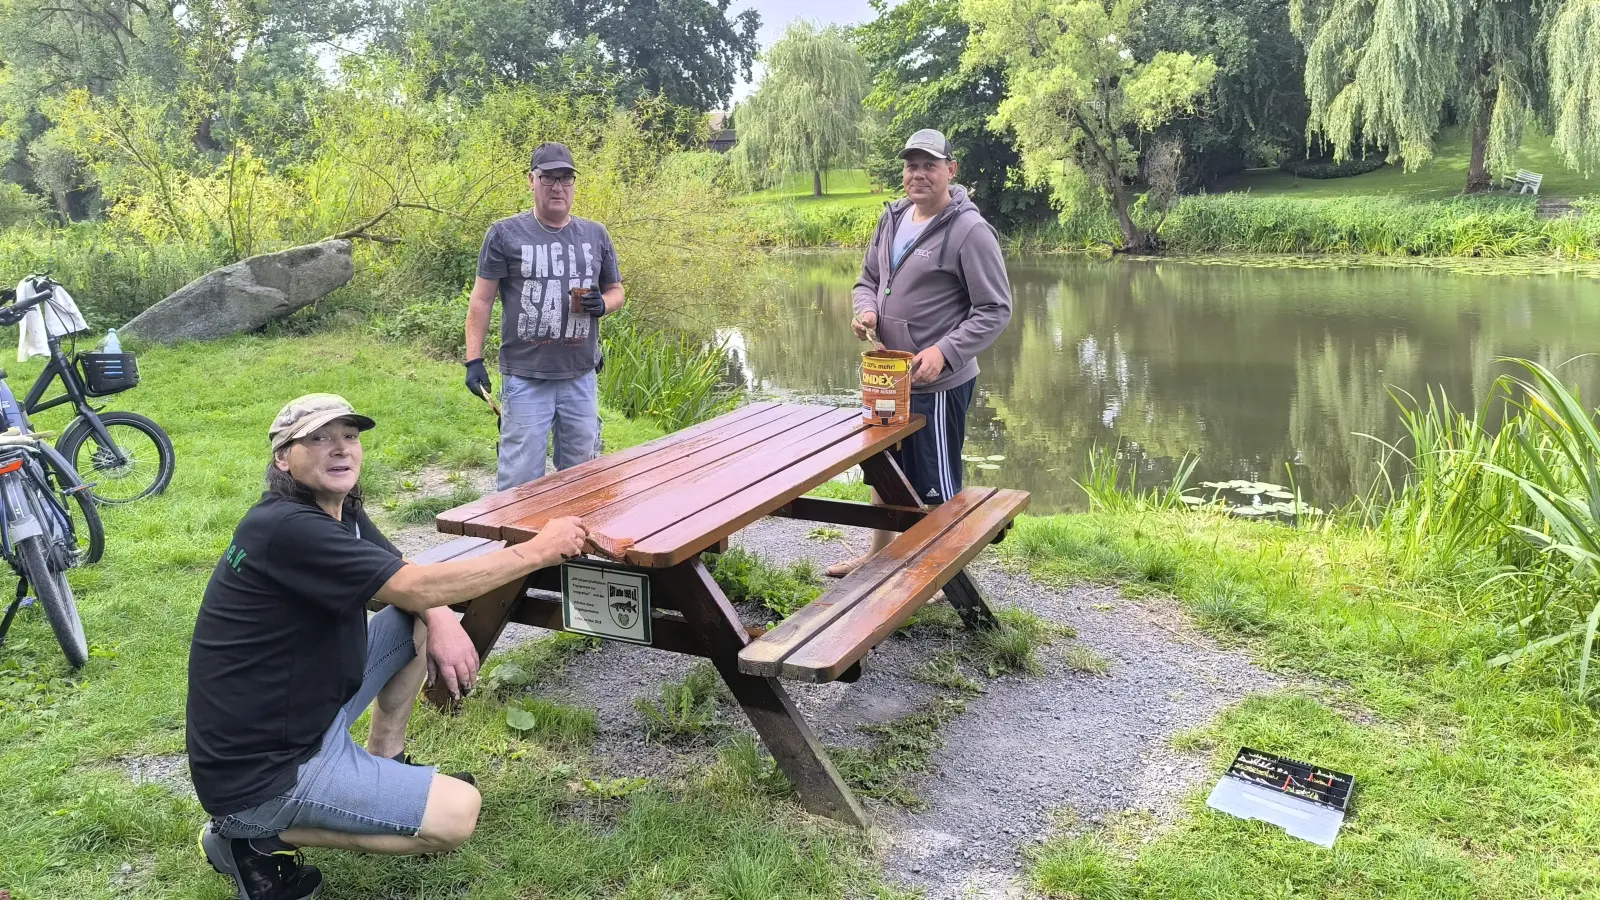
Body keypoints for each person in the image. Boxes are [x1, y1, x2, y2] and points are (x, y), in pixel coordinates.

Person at [187, 393, 588, 900]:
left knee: (414, 621)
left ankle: (386, 759)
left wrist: (440, 619)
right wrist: (537, 551)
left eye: (349, 437)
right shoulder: (287, 529)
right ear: (282, 458)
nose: (340, 449)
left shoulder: (339, 511)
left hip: (303, 713)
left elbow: (405, 578)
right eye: (318, 439)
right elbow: (415, 586)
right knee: (457, 814)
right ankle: (252, 833)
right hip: (269, 765)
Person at [832, 128, 1013, 577]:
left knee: (935, 485)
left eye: (930, 165)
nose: (919, 174)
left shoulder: (969, 230)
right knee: (883, 468)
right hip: (887, 376)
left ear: (951, 170)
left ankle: (937, 573)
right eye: (912, 165)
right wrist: (867, 311)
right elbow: (867, 281)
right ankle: (878, 556)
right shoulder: (891, 219)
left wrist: (945, 351)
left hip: (938, 383)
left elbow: (995, 309)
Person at [465, 142, 626, 491]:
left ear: (573, 183)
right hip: (526, 377)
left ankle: (572, 546)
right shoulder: (504, 233)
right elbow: (481, 300)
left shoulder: (595, 234)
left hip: (581, 374)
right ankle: (517, 546)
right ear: (531, 180)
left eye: (566, 178)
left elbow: (616, 291)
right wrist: (473, 360)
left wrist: (605, 305)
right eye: (548, 177)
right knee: (520, 478)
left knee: (581, 474)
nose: (558, 187)